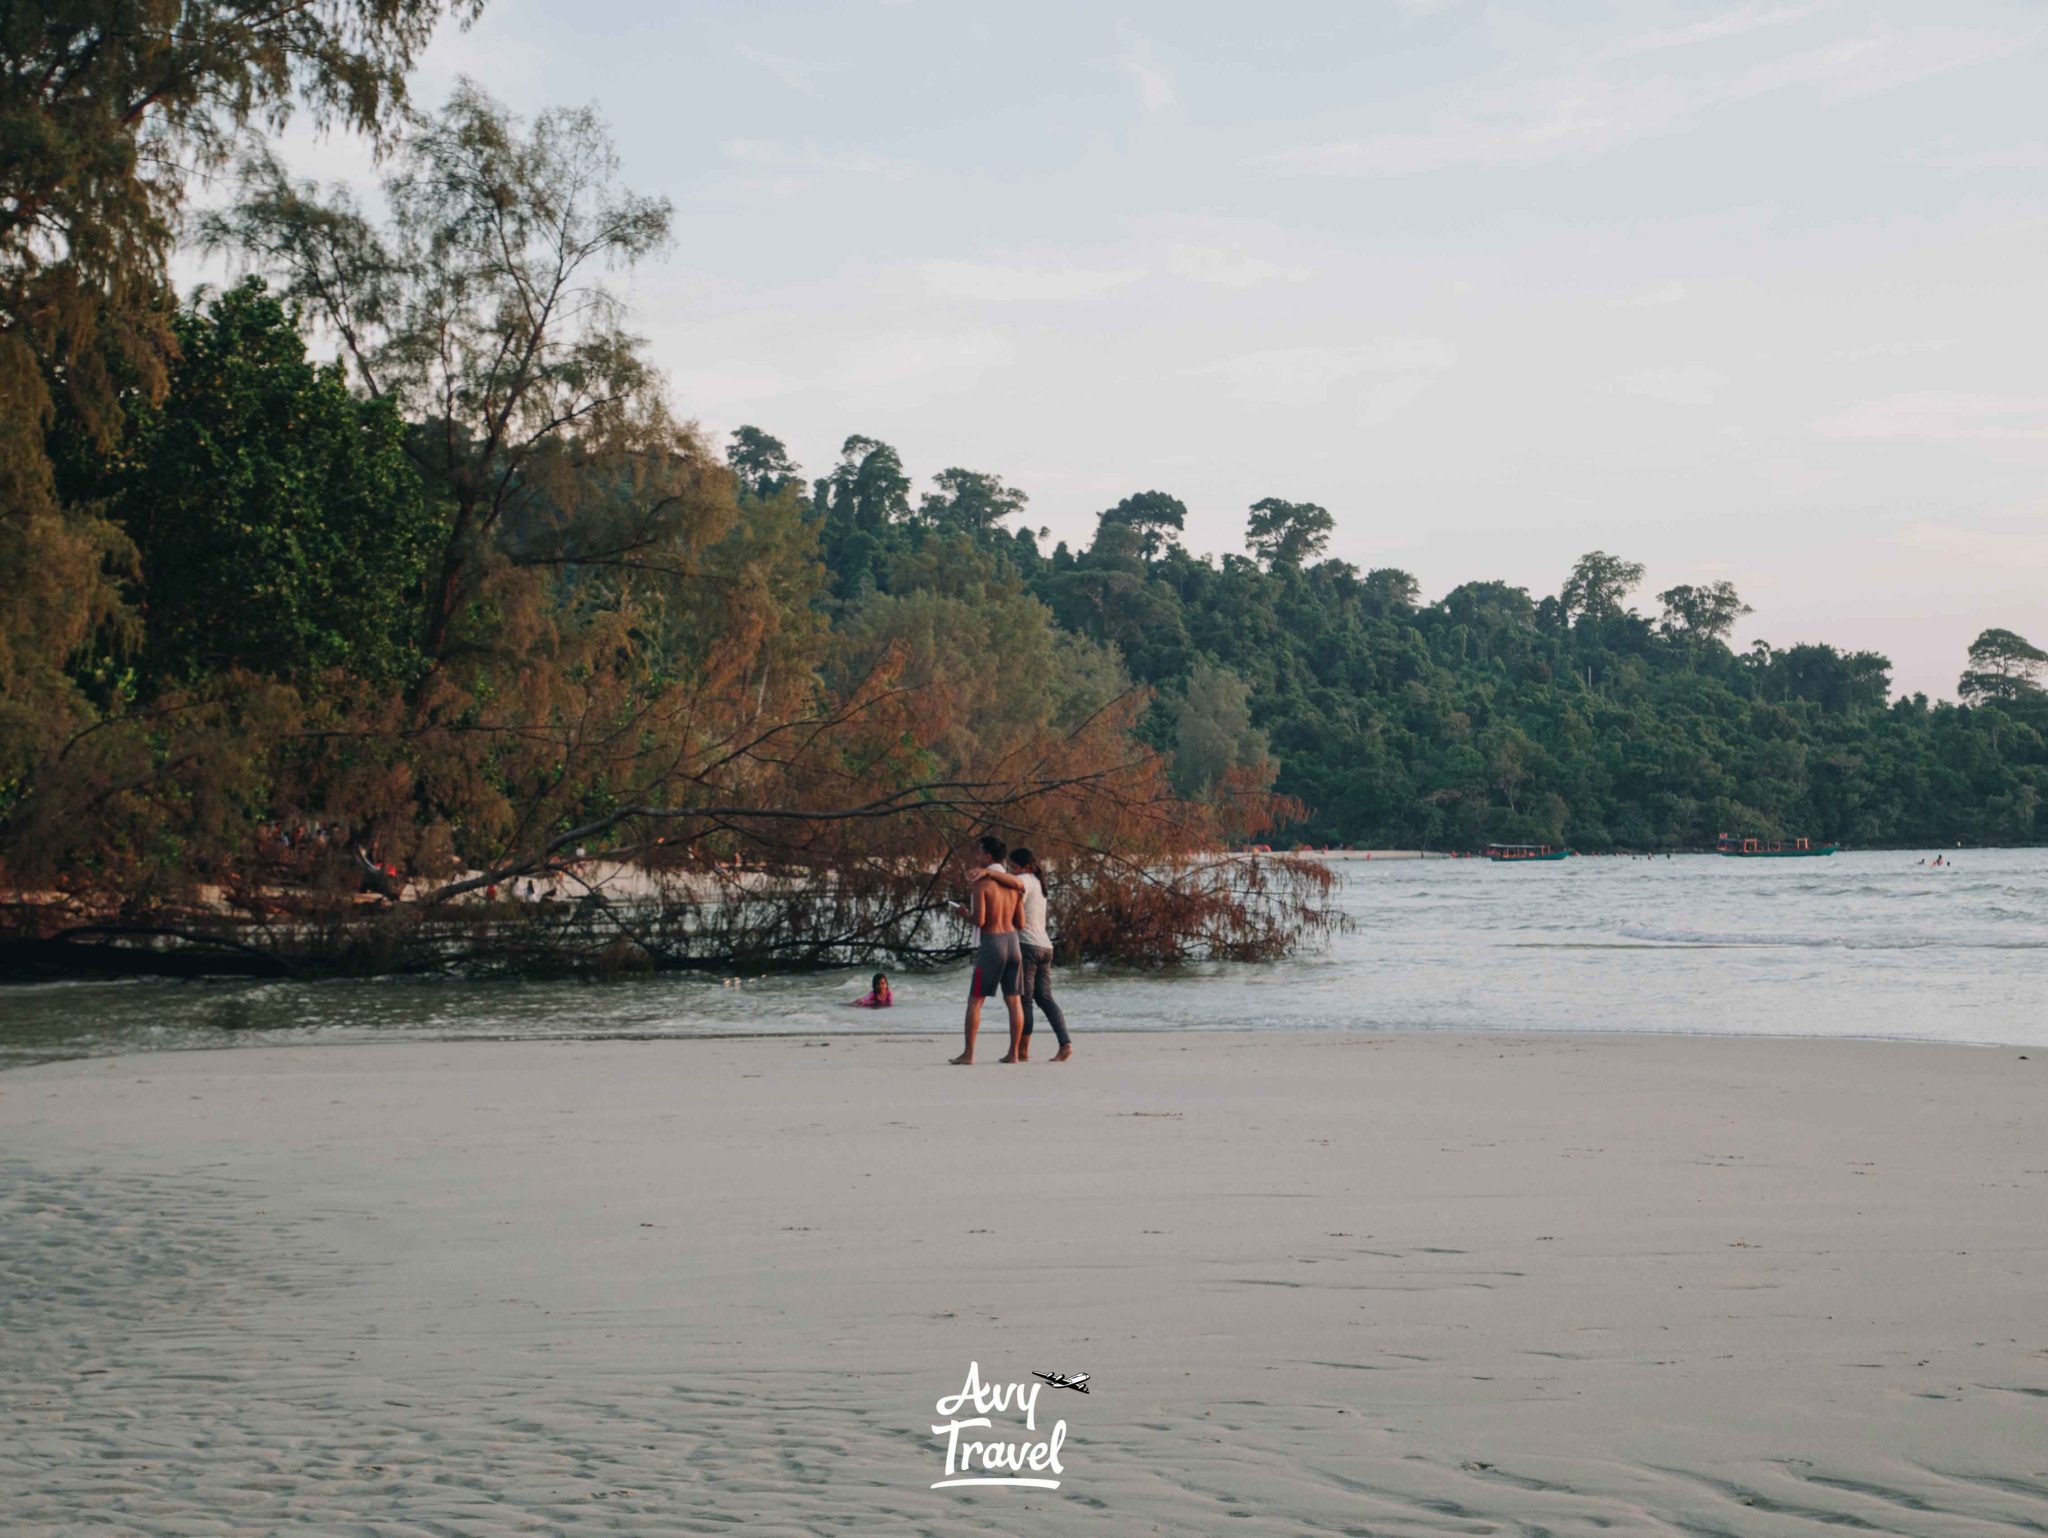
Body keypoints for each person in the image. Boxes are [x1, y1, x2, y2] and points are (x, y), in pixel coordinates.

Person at [951, 835, 1025, 1065]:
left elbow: (980, 920)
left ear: (988, 856)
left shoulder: (982, 883)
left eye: (979, 853)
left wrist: (964, 914)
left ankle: (968, 1054)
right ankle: (1014, 1053)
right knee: (1014, 1001)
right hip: (1012, 942)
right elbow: (1020, 922)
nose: (976, 856)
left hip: (992, 943)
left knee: (975, 1001)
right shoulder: (1013, 884)